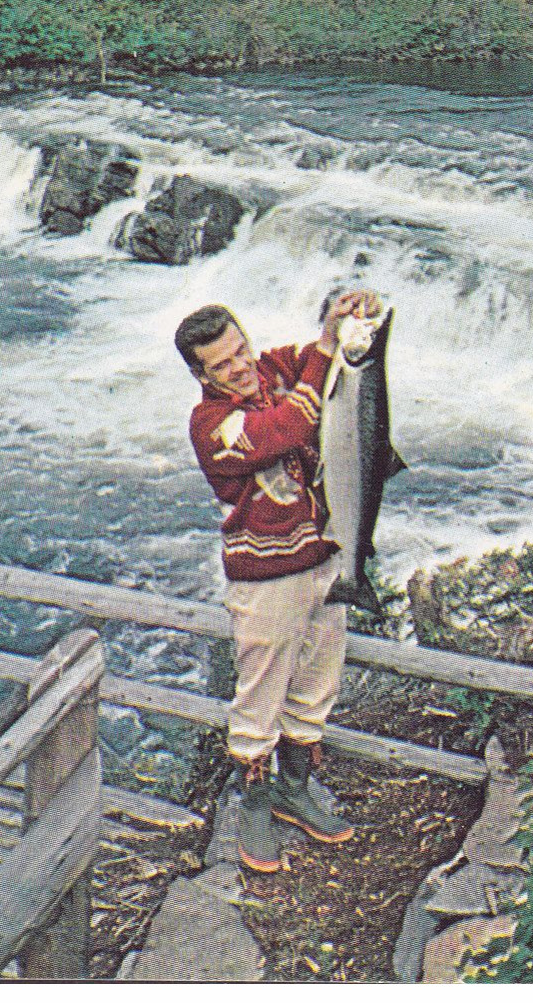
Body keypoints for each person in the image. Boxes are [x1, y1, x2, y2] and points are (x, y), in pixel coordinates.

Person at [174, 289, 381, 872]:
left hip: (324, 563)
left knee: (317, 681)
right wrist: (321, 351)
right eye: (223, 364)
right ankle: (255, 805)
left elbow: (340, 362)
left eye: (241, 350)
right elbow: (289, 426)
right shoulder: (210, 424)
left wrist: (343, 320)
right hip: (265, 581)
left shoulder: (280, 367)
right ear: (201, 375)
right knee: (259, 698)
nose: (241, 366)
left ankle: (295, 786)